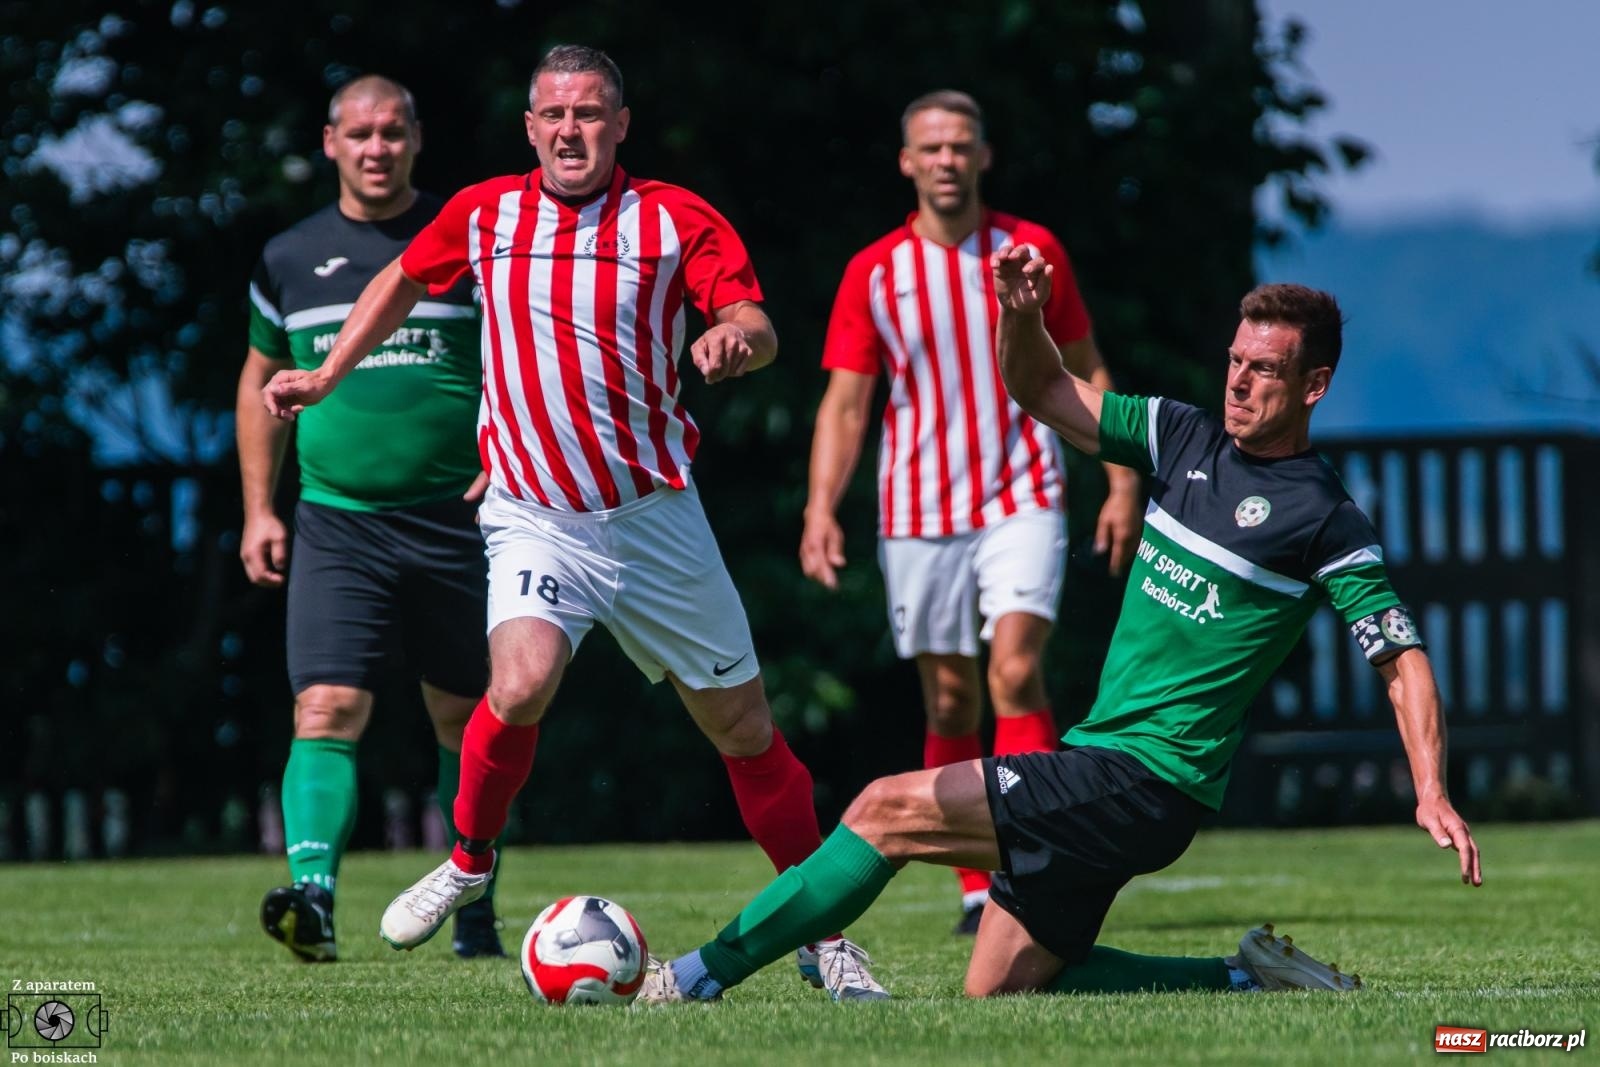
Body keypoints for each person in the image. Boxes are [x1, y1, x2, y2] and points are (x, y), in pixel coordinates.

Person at [636, 254, 1482, 1005]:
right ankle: (1243, 975)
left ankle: (695, 976)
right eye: (1235, 360)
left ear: (1314, 386)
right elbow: (1041, 388)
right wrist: (1021, 316)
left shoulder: (1325, 518)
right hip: (1106, 765)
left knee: (882, 810)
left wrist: (1431, 786)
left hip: (1147, 779)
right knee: (999, 986)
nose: (1238, 381)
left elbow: (1399, 658)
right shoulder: (1182, 435)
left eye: (1264, 370)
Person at [261, 45, 885, 1000]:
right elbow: (401, 283)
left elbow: (756, 321)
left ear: (620, 125)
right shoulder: (482, 213)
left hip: (653, 518)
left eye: (589, 113)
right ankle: (470, 859)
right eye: (553, 114)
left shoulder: (674, 218)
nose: (569, 130)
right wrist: (330, 370)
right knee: (518, 684)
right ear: (529, 128)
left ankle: (821, 930)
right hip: (534, 514)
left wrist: (732, 342)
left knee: (746, 732)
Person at [799, 91, 1142, 933]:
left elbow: (1087, 367)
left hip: (1022, 495)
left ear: (984, 157)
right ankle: (973, 887)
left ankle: (1035, 865)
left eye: (961, 146)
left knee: (1016, 671)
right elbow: (847, 405)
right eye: (932, 147)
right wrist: (820, 508)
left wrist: (1124, 481)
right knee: (950, 702)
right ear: (907, 163)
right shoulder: (874, 272)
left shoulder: (1031, 253)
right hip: (917, 510)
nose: (947, 160)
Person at [239, 75, 507, 962]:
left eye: (393, 132)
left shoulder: (465, 238)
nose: (376, 148)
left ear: (417, 139)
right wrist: (257, 511)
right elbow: (258, 379)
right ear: (329, 142)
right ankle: (311, 897)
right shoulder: (288, 256)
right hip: (336, 522)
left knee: (466, 717)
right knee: (324, 705)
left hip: (457, 520)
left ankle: (473, 906)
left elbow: (519, 356)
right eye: (359, 134)